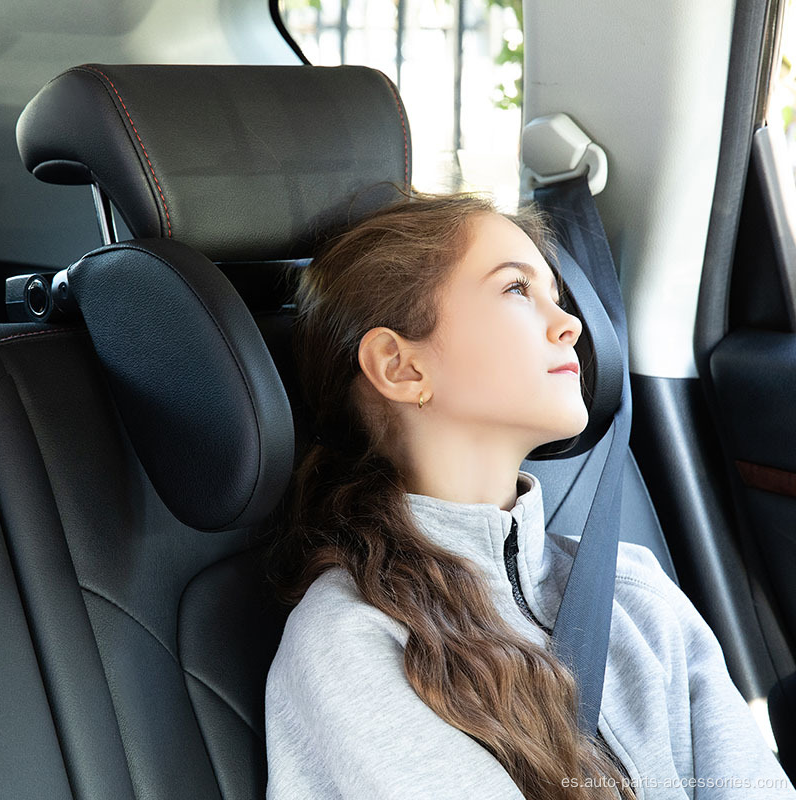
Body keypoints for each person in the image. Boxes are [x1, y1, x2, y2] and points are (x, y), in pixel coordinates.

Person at [264, 193, 795, 799]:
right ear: (401, 367)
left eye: (557, 295)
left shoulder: (635, 594)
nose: (569, 324)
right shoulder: (353, 644)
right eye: (517, 289)